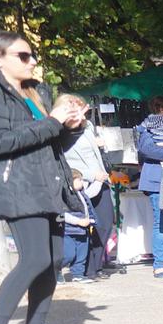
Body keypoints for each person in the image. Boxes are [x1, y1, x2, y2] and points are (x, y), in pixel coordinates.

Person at [0, 32, 88, 324]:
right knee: (34, 259)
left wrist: (72, 127)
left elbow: (51, 144)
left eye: (32, 55)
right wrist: (51, 122)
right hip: (19, 186)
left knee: (53, 260)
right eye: (23, 56)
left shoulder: (34, 92)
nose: (32, 61)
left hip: (48, 185)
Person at [61, 114, 114, 281]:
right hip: (82, 183)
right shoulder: (64, 134)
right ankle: (85, 269)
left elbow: (96, 157)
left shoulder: (89, 128)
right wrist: (92, 175)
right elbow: (65, 161)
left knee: (105, 223)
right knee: (84, 226)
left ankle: (95, 265)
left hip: (102, 181)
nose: (84, 115)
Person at [133, 96, 163, 275]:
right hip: (156, 181)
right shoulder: (146, 128)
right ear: (162, 109)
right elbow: (146, 149)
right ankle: (161, 262)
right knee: (162, 222)